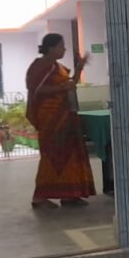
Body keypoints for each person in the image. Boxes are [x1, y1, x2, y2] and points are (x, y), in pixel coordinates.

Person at [26, 33, 97, 209]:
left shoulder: (59, 68)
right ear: (50, 48)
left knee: (70, 154)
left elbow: (71, 85)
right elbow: (36, 90)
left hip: (67, 116)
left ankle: (70, 195)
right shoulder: (40, 66)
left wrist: (79, 68)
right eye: (61, 46)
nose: (64, 49)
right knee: (51, 155)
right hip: (51, 118)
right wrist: (61, 87)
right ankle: (39, 197)